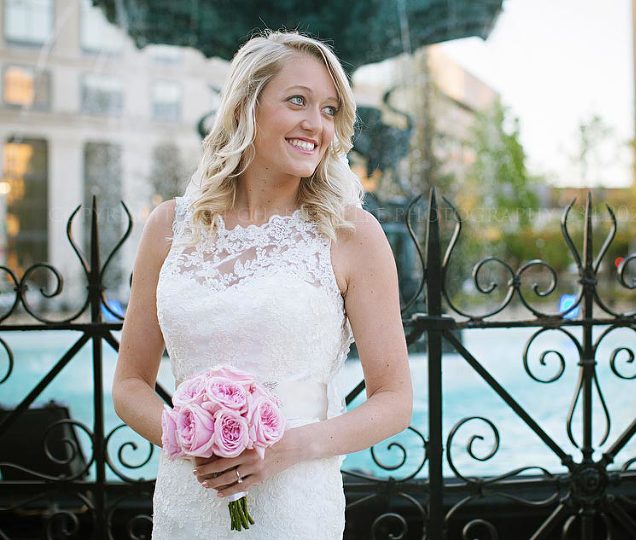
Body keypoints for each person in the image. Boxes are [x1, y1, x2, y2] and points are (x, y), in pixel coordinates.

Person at [112, 31, 412, 539]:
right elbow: (129, 384)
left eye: (330, 109)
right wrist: (187, 434)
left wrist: (289, 449)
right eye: (298, 100)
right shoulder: (168, 227)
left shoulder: (350, 234)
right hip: (189, 500)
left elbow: (395, 399)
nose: (315, 124)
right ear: (244, 108)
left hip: (294, 506)